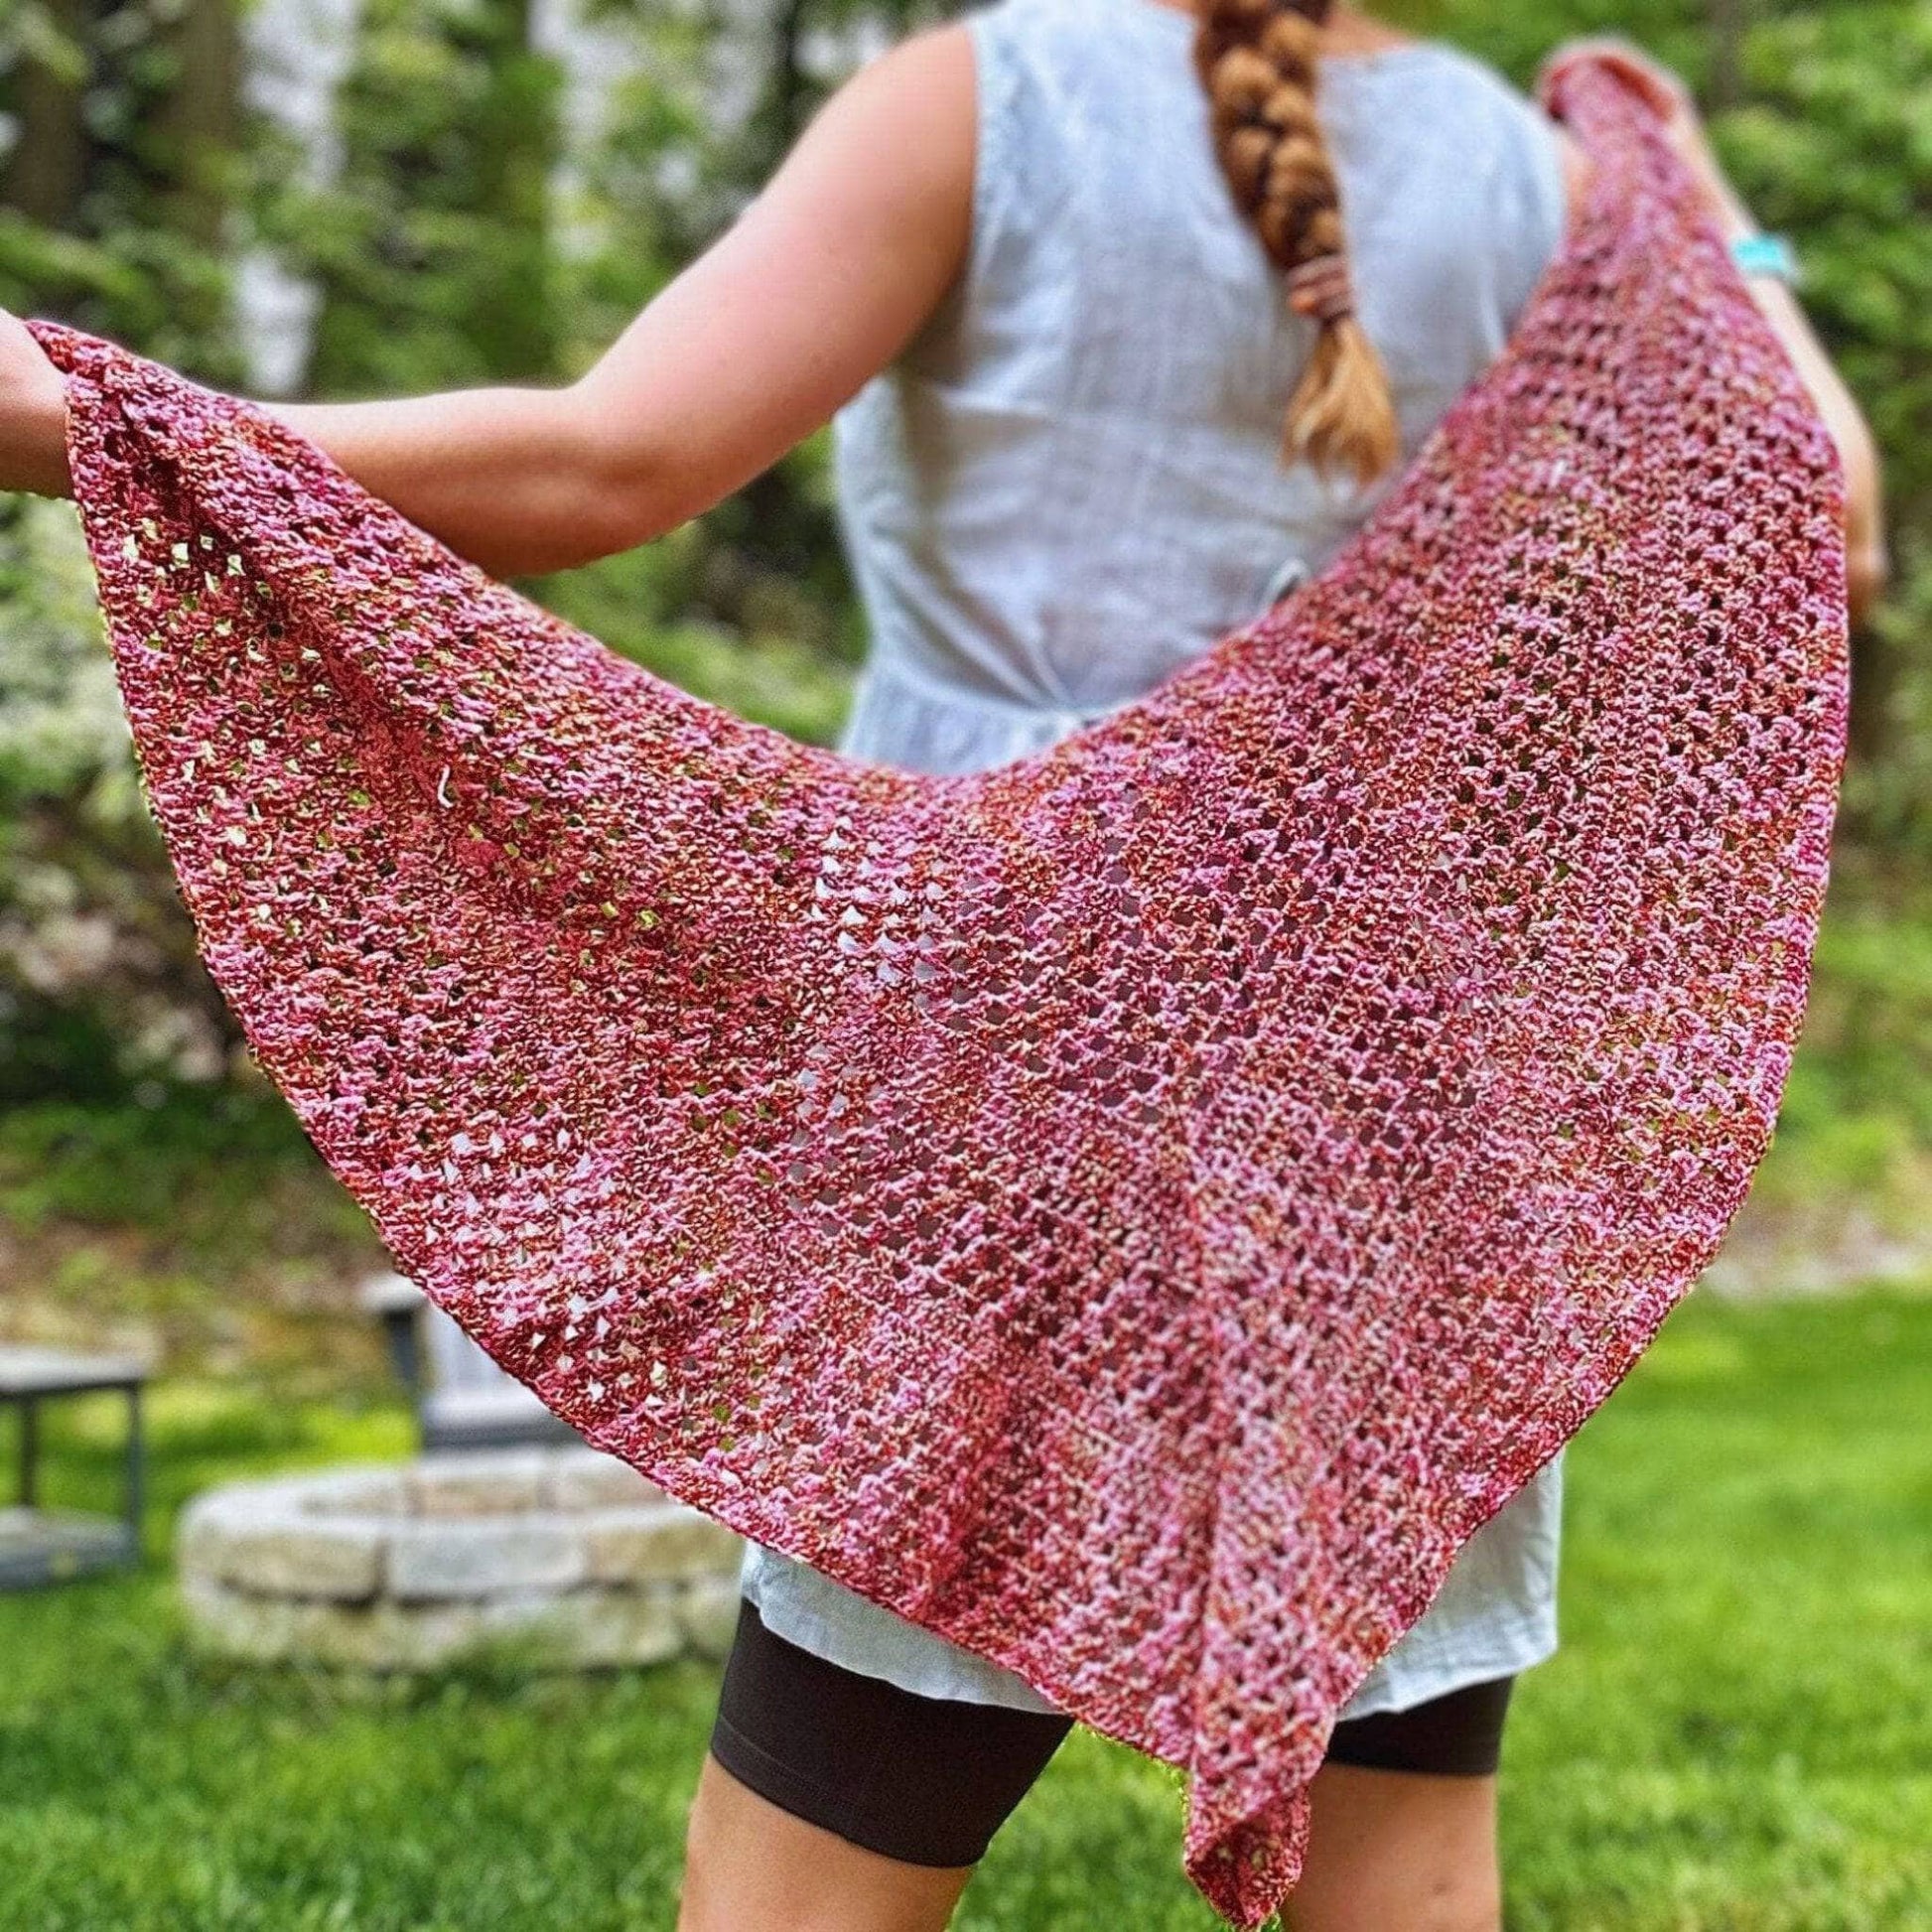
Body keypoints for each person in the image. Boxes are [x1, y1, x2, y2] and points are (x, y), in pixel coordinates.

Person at [0, 3, 1885, 1927]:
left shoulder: (986, 105)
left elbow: (603, 463)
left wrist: (77, 413)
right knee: (1398, 1860)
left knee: (811, 1879)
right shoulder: (1543, 178)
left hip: (1001, 1061)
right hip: (1366, 1106)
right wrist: (1687, 189)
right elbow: (1816, 502)